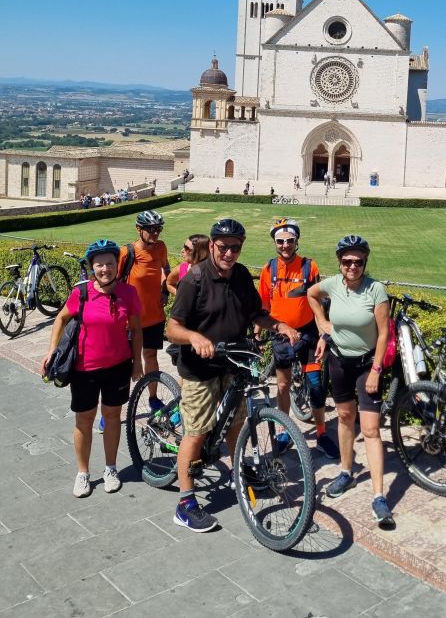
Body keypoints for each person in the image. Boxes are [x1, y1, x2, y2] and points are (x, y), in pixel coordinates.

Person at [166, 218, 299, 533]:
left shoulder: (240, 275)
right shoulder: (194, 279)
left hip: (233, 362)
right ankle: (185, 504)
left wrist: (279, 325)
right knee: (197, 432)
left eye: (235, 247)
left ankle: (240, 468)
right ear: (211, 245)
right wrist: (195, 338)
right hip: (200, 368)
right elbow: (173, 328)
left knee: (236, 424)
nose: (229, 253)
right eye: (223, 246)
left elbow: (255, 313)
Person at [41, 240, 143, 498]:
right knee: (84, 420)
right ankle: (83, 473)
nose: (105, 269)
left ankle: (110, 468)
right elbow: (61, 317)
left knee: (111, 417)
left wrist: (137, 362)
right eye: (100, 265)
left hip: (118, 366)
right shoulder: (82, 293)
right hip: (84, 368)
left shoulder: (128, 293)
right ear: (92, 267)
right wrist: (52, 348)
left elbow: (136, 328)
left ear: (115, 265)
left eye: (109, 263)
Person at [307, 235, 395, 529]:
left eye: (358, 261)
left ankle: (379, 496)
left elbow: (383, 333)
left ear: (365, 263)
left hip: (366, 364)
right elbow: (310, 293)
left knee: (370, 429)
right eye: (347, 261)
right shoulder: (332, 284)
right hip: (338, 361)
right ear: (340, 263)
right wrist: (322, 325)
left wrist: (376, 370)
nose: (352, 266)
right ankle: (345, 471)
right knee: (345, 417)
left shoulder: (376, 290)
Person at [258, 218, 339, 460]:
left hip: (308, 333)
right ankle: (284, 431)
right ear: (274, 242)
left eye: (290, 241)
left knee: (315, 384)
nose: (285, 245)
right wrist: (256, 334)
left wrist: (324, 333)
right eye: (280, 241)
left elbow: (319, 303)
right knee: (282, 385)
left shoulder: (309, 267)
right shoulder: (268, 270)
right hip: (281, 334)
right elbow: (262, 306)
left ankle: (322, 434)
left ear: (297, 242)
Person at [117, 210, 171, 415]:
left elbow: (167, 269)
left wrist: (165, 289)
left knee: (150, 357)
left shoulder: (161, 248)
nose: (155, 233)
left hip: (154, 316)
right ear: (139, 230)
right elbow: (114, 283)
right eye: (150, 229)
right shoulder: (127, 253)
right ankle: (115, 408)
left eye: (158, 229)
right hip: (130, 320)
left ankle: (153, 398)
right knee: (126, 363)